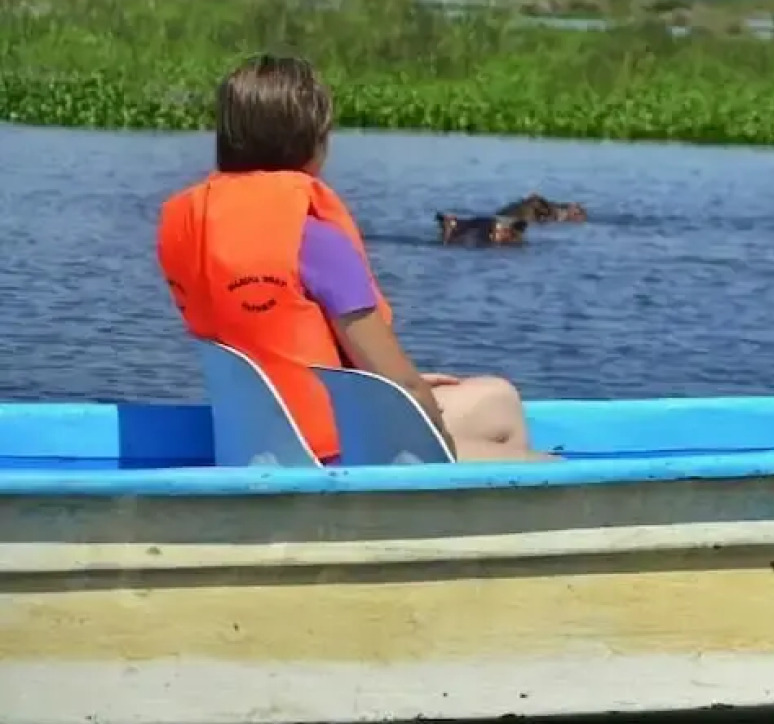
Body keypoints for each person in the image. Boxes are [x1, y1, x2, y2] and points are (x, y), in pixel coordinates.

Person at [156, 54, 551, 463]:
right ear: (314, 143)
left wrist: (398, 389)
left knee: (497, 399)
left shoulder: (193, 227)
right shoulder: (313, 239)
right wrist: (422, 419)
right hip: (331, 453)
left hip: (254, 443)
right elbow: (405, 388)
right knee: (535, 455)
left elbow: (271, 348)